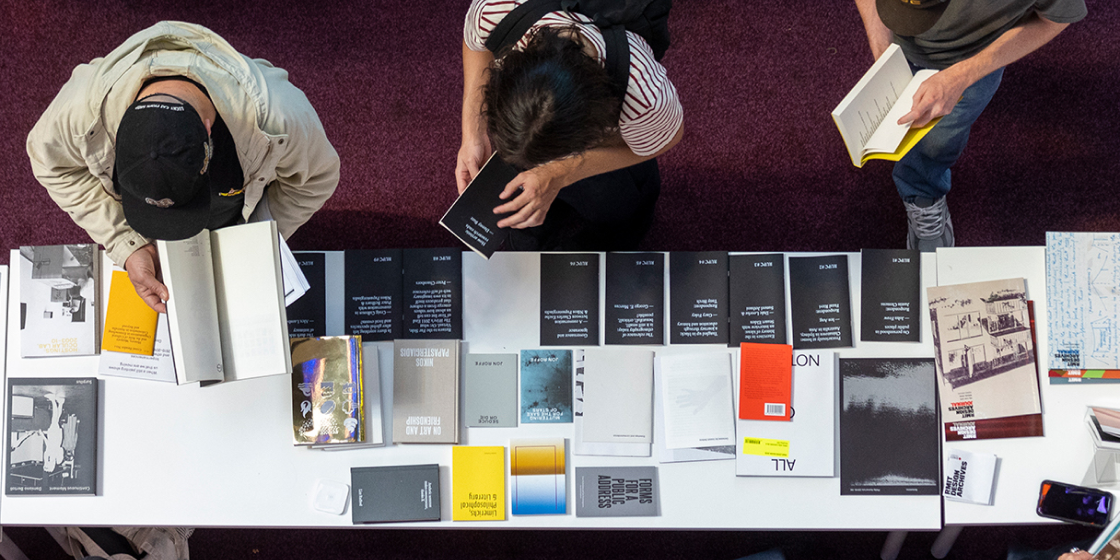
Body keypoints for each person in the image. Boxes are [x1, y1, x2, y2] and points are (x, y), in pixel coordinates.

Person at [27, 21, 340, 312]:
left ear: (206, 130)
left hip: (233, 211)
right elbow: (51, 165)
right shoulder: (81, 116)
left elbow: (316, 179)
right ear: (117, 132)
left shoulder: (279, 117)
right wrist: (128, 245)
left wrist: (255, 235)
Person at [854, 0, 1086, 251]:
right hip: (900, 52)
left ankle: (922, 192)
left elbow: (1055, 19)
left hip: (972, 53)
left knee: (937, 140)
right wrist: (882, 51)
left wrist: (964, 75)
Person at [457, 0, 683, 251]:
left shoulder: (643, 95)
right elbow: (475, 41)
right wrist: (473, 132)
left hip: (604, 151)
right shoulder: (500, 8)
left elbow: (665, 138)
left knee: (616, 210)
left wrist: (560, 173)